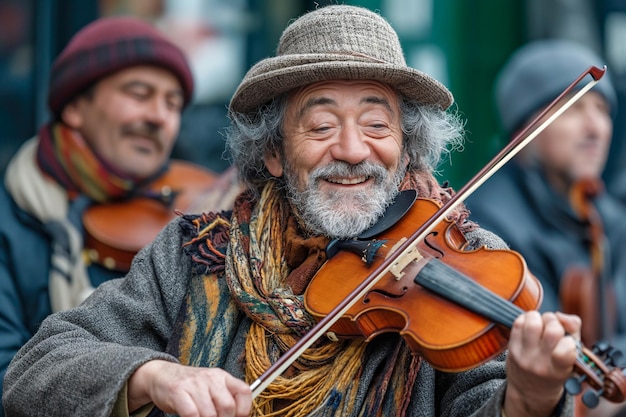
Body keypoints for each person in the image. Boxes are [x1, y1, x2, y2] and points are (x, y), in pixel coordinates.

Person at [3, 6, 583, 417]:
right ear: (275, 153)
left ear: (407, 146)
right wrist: (153, 375)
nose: (353, 151)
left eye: (377, 124)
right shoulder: (195, 252)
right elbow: (34, 372)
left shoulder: (464, 258)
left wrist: (527, 400)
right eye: (322, 125)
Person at [0, 15, 224, 415]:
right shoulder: (10, 222)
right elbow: (6, 379)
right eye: (139, 94)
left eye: (172, 103)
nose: (159, 116)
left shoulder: (197, 209)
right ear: (74, 107)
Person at [465, 39, 626, 416]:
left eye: (602, 110)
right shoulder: (489, 224)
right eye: (574, 109)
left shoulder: (607, 215)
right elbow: (544, 346)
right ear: (527, 129)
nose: (595, 128)